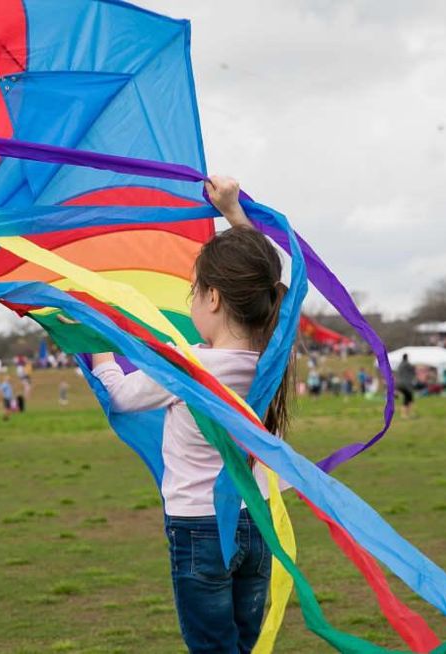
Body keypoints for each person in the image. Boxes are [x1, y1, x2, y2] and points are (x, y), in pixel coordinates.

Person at [90, 176, 281, 654]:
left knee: (214, 648)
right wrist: (233, 213)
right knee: (241, 645)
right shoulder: (272, 357)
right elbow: (278, 285)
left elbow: (124, 397)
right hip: (256, 526)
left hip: (199, 528)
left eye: (194, 292)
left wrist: (98, 352)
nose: (191, 302)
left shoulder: (189, 368)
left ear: (213, 298)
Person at [395, 353, 416, 419]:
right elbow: (413, 371)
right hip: (406, 385)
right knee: (409, 399)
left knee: (407, 398)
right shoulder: (407, 364)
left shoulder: (399, 365)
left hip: (399, 384)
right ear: (407, 358)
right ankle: (407, 414)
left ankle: (405, 414)